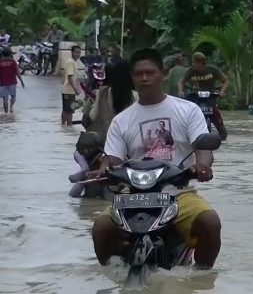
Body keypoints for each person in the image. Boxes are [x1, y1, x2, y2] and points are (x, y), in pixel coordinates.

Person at [87, 48, 221, 269]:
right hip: (132, 194)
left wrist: (202, 166)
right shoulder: (122, 120)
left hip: (177, 192)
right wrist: (103, 170)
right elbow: (112, 158)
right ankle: (112, 272)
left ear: (163, 73)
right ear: (132, 78)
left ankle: (201, 274)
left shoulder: (188, 110)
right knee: (101, 228)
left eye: (150, 72)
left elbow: (203, 146)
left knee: (209, 222)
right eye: (139, 74)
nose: (144, 78)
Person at [178, 52, 229, 140]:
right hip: (196, 100)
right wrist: (180, 91)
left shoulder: (213, 70)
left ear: (200, 62)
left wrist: (222, 91)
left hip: (210, 99)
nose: (192, 64)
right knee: (189, 117)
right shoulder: (191, 71)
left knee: (217, 118)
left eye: (194, 62)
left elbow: (226, 81)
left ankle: (222, 133)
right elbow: (181, 81)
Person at [88, 60, 139, 135]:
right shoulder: (135, 95)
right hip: (128, 138)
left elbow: (93, 115)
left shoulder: (102, 93)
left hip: (107, 138)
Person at [0, 48, 25, 113]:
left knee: (5, 98)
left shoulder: (0, 61)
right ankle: (11, 107)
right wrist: (21, 81)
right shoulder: (12, 61)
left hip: (3, 82)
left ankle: (6, 113)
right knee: (13, 96)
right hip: (12, 82)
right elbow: (16, 72)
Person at [62, 45, 81, 126]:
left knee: (69, 109)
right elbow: (70, 77)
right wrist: (75, 89)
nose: (78, 54)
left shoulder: (73, 62)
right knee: (68, 110)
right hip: (68, 90)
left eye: (79, 52)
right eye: (76, 52)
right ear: (72, 52)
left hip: (70, 90)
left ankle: (65, 126)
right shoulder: (70, 62)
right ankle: (66, 125)